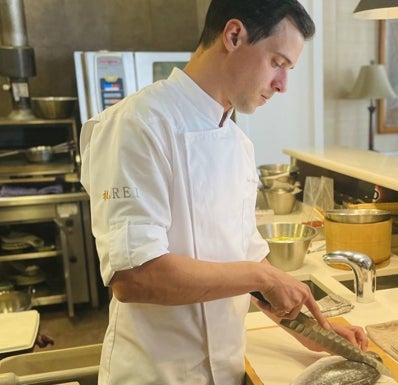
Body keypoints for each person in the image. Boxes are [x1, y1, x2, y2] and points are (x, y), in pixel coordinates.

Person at [79, 1, 368, 384]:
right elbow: (135, 277)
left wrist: (316, 332)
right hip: (155, 376)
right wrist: (264, 279)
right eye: (278, 62)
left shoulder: (238, 143)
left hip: (226, 370)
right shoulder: (137, 124)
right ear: (234, 36)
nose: (283, 85)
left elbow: (248, 262)